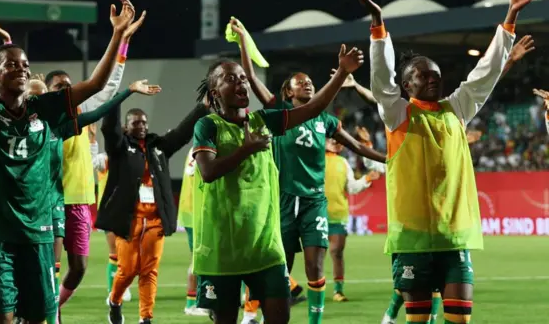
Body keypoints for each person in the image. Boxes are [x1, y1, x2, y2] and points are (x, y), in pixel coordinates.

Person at [0, 0, 141, 322]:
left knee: (39, 317)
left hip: (39, 233)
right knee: (2, 318)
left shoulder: (45, 110)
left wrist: (117, 36)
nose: (24, 70)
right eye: (14, 66)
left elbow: (93, 85)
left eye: (26, 65)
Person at [354, 0, 541, 324]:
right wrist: (378, 26)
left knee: (460, 319)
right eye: (423, 75)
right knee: (419, 320)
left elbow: (483, 76)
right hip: (411, 240)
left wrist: (511, 15)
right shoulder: (398, 115)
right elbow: (381, 80)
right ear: (406, 85)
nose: (432, 79)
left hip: (455, 238)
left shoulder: (456, 109)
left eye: (436, 74)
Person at [192, 42, 364, 324]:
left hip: (265, 246)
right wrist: (246, 148)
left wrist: (342, 72)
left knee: (280, 316)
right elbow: (208, 171)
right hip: (224, 246)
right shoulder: (208, 126)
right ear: (214, 93)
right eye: (230, 79)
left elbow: (313, 109)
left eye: (244, 78)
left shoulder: (263, 121)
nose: (242, 83)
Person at [228, 18, 385, 324]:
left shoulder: (325, 121)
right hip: (283, 201)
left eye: (310, 81)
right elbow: (249, 74)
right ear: (287, 92)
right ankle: (260, 314)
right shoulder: (279, 112)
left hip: (314, 202)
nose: (308, 83)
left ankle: (314, 321)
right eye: (301, 82)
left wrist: (391, 157)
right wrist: (243, 40)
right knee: (278, 269)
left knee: (315, 267)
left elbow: (358, 147)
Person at [97, 93, 209, 324]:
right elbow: (109, 128)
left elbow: (181, 133)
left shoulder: (158, 147)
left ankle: (145, 318)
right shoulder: (119, 148)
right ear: (126, 127)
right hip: (128, 220)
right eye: (135, 122)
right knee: (127, 270)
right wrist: (116, 98)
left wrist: (203, 107)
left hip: (155, 220)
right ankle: (115, 301)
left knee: (149, 271)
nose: (141, 126)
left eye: (144, 122)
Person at [324, 135, 380, 302]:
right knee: (315, 257)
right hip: (315, 214)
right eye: (332, 139)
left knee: (336, 253)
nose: (335, 142)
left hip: (337, 215)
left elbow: (351, 187)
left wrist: (367, 178)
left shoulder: (343, 163)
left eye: (338, 141)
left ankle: (338, 291)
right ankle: (310, 289)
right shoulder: (313, 159)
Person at [90, 125, 133, 303]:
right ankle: (113, 290)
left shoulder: (132, 158)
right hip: (109, 211)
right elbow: (91, 160)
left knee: (128, 251)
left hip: (128, 210)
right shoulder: (104, 159)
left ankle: (123, 285)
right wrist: (92, 140)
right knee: (114, 251)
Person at [177, 147, 210, 316]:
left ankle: (200, 300)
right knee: (199, 259)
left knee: (201, 257)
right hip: (197, 211)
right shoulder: (206, 149)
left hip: (190, 210)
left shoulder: (195, 148)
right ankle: (192, 304)